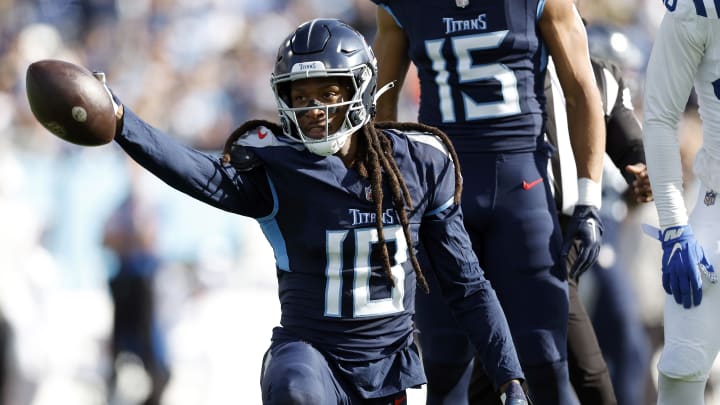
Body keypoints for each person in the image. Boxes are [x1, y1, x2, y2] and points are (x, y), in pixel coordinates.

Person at [75, 19, 530, 405]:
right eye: (300, 95)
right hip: (308, 356)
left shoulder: (423, 163)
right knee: (297, 388)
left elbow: (467, 287)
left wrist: (509, 376)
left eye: (328, 92)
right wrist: (122, 123)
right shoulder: (279, 167)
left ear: (361, 88)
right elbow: (196, 172)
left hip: (387, 369)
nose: (313, 110)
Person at [371, 1, 606, 404]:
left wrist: (589, 200)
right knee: (444, 371)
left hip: (521, 191)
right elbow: (379, 102)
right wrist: (391, 191)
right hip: (441, 196)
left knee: (547, 363)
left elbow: (582, 90)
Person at [546, 54, 653, 405]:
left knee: (591, 364)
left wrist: (640, 166)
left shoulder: (599, 73)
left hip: (564, 236)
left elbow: (628, 140)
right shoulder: (517, 65)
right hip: (502, 230)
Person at [641, 0, 720, 403]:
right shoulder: (700, 10)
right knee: (680, 371)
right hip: (716, 208)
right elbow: (659, 115)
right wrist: (673, 225)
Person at [102, 161, 170, 405]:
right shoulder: (121, 204)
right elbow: (107, 238)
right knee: (121, 352)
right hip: (125, 282)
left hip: (143, 282)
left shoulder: (152, 202)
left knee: (150, 353)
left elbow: (147, 239)